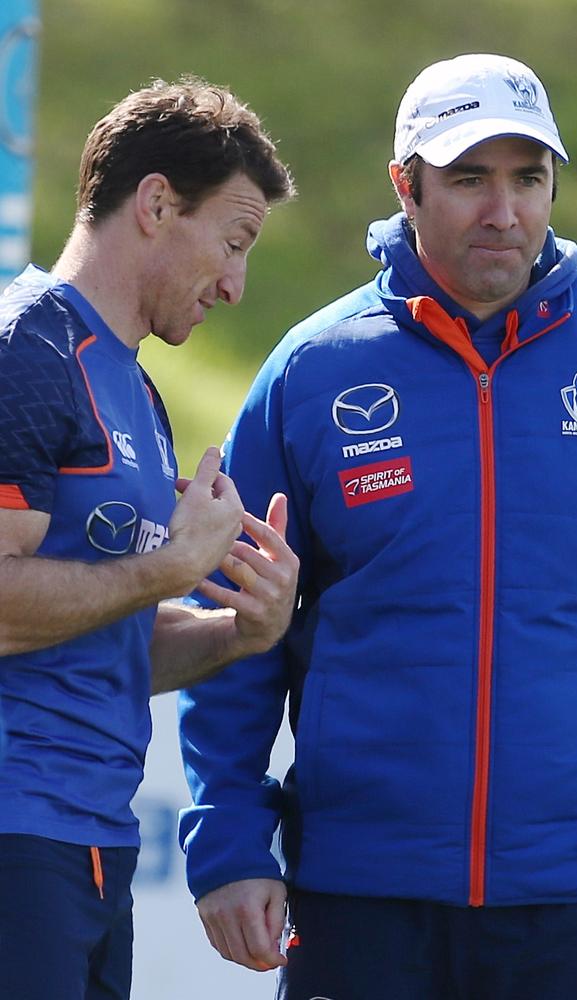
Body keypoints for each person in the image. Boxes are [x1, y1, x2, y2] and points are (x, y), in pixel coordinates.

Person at [178, 54, 577, 999]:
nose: (503, 211)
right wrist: (227, 835)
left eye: (528, 179)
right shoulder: (311, 371)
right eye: (469, 178)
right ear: (407, 185)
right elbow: (231, 614)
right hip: (361, 894)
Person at [0, 76, 299, 1000]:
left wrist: (240, 631)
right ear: (158, 203)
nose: (237, 283)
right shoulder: (27, 351)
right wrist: (176, 564)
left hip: (94, 843)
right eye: (233, 241)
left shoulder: (137, 390)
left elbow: (107, 635)